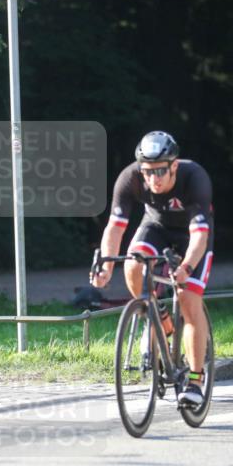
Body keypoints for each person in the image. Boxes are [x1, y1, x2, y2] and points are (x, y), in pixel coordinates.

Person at [90, 131, 214, 408]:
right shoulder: (130, 177)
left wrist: (187, 267)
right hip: (155, 227)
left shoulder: (194, 178)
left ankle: (195, 379)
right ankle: (159, 316)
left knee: (188, 297)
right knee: (133, 263)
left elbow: (199, 237)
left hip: (192, 237)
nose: (154, 179)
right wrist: (107, 265)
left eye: (161, 171)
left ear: (174, 166)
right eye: (148, 172)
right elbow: (115, 227)